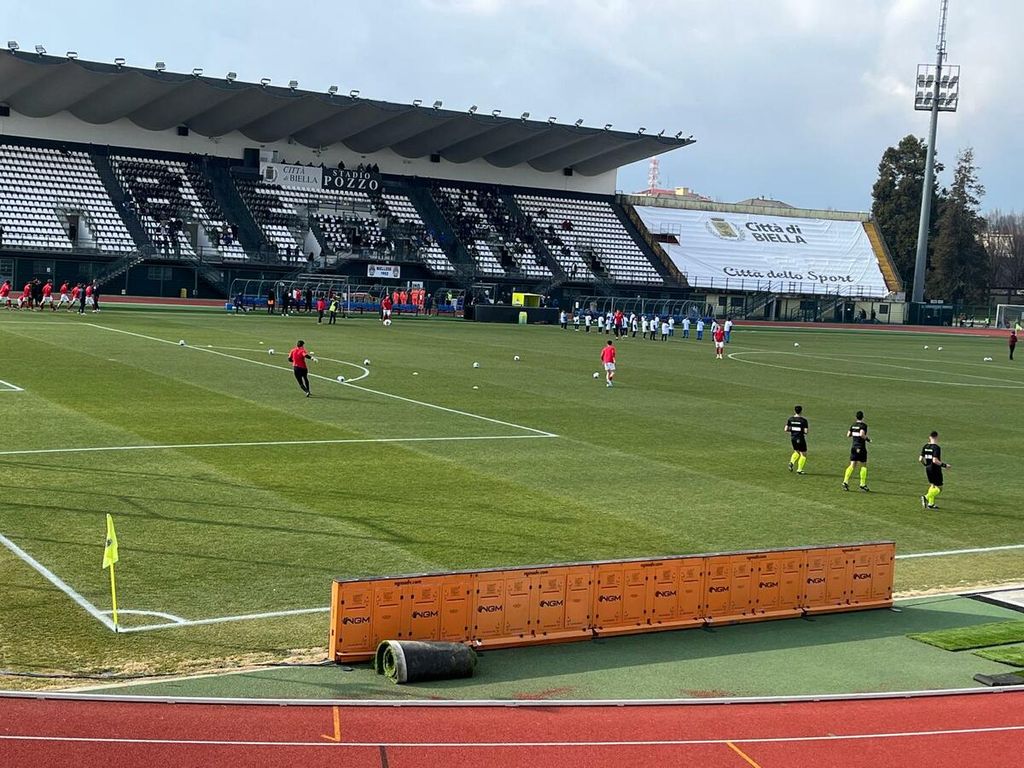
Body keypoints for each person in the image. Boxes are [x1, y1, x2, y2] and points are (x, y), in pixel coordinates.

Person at [920, 431, 950, 509]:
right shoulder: (936, 447)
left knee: (932, 485)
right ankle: (926, 497)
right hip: (935, 469)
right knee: (939, 488)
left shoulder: (925, 446)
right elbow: (935, 460)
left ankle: (931, 504)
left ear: (929, 437)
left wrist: (926, 465)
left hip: (928, 468)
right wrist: (945, 465)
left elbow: (920, 459)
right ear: (937, 437)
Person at [843, 410, 871, 492]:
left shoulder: (853, 425)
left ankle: (845, 481)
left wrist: (854, 434)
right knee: (863, 465)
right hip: (861, 448)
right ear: (863, 417)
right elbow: (862, 434)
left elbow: (848, 435)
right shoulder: (863, 425)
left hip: (853, 447)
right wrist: (868, 439)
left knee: (852, 465)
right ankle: (862, 484)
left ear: (856, 417)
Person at [785, 405, 809, 474]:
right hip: (800, 438)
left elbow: (786, 429)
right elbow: (806, 431)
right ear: (801, 411)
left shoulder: (790, 419)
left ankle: (791, 462)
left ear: (794, 411)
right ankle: (799, 470)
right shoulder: (803, 420)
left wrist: (793, 430)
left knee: (796, 452)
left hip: (793, 438)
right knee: (803, 454)